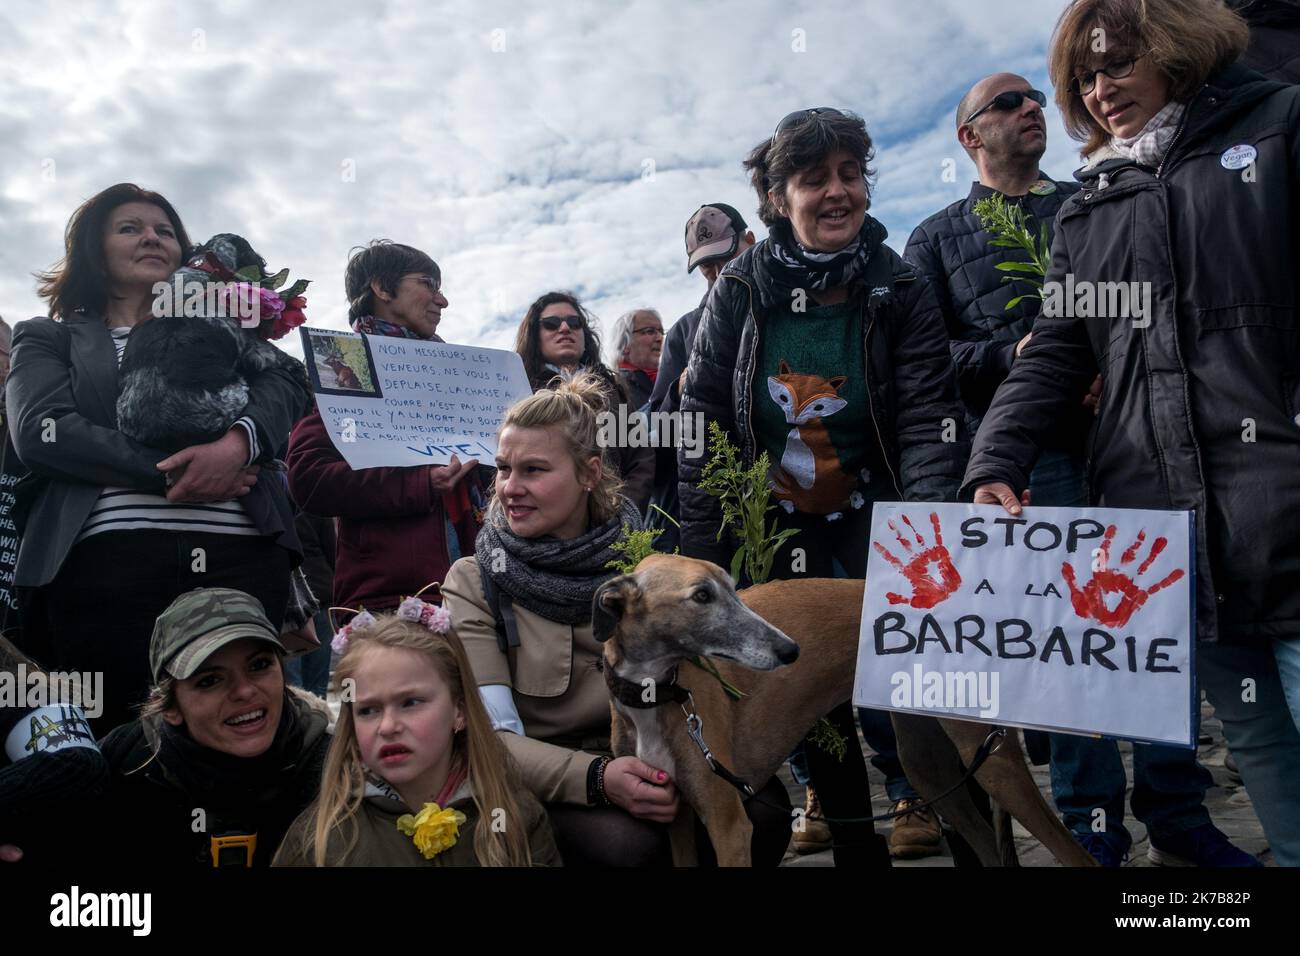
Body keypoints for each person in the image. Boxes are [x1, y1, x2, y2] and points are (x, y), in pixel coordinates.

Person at [965, 0, 1299, 866]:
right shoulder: (1092, 209)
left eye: (1116, 63)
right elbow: (1053, 356)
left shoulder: (1278, 127)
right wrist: (994, 462)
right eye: (1082, 78)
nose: (1099, 90)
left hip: (1287, 517)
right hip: (1177, 544)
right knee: (1260, 745)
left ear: (1176, 45)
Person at [908, 70, 1223, 867]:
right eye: (1009, 103)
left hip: (1127, 443)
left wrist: (1112, 360)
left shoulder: (1090, 200)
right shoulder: (937, 238)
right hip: (1027, 460)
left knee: (1153, 626)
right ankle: (1090, 819)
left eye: (1036, 101)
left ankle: (1179, 811)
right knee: (1064, 640)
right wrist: (1006, 357)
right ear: (970, 135)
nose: (1031, 110)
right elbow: (922, 360)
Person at [679, 108, 968, 866]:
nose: (837, 192)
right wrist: (706, 558)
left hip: (878, 513)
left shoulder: (899, 285)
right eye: (814, 180)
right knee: (806, 691)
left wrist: (926, 536)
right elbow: (703, 418)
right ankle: (852, 847)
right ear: (778, 199)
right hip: (775, 525)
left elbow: (928, 414)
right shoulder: (737, 291)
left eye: (851, 175)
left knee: (911, 680)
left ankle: (942, 813)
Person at [440, 374, 791, 866]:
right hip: (552, 780)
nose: (509, 488)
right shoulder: (477, 581)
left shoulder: (650, 566)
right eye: (502, 469)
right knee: (634, 848)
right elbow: (494, 739)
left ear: (589, 473)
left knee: (769, 811)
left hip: (663, 750)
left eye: (534, 470)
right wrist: (597, 779)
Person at [7, 183, 308, 734]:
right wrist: (183, 472)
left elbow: (287, 383)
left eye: (164, 230)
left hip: (241, 558)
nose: (152, 237)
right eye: (130, 228)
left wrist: (237, 444)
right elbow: (42, 432)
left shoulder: (224, 324)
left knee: (246, 725)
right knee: (122, 733)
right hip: (106, 568)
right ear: (94, 250)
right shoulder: (50, 337)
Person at [287, 241, 485, 617]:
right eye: (428, 283)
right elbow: (309, 478)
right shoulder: (349, 366)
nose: (441, 301)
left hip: (481, 589)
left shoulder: (459, 373)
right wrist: (421, 484)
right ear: (381, 287)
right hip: (394, 601)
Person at [274, 609, 559, 866]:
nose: (387, 726)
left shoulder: (514, 819)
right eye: (368, 710)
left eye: (410, 703)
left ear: (459, 711)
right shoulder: (324, 840)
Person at [98, 588, 330, 868]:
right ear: (170, 708)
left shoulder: (335, 771)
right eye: (209, 681)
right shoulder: (124, 766)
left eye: (259, 665)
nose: (244, 691)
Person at [646, 204, 756, 554]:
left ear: (750, 241)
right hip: (716, 505)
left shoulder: (790, 308)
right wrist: (678, 392)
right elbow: (657, 434)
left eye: (727, 256)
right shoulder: (684, 332)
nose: (718, 272)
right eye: (707, 264)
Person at [513, 291, 654, 510]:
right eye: (551, 323)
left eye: (574, 322)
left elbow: (641, 458)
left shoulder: (613, 389)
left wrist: (622, 512)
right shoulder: (518, 391)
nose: (565, 328)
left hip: (614, 519)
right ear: (534, 334)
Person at [609, 309, 664, 410]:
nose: (660, 338)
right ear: (625, 344)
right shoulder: (613, 391)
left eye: (661, 332)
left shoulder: (672, 380)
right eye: (650, 331)